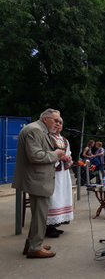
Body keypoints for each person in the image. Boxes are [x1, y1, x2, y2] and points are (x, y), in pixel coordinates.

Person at [12, 108, 65, 258]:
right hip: (36, 180)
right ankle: (35, 248)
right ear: (45, 119)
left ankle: (33, 244)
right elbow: (35, 156)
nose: (58, 123)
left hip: (37, 179)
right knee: (40, 215)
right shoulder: (35, 130)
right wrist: (56, 154)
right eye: (55, 120)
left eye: (59, 121)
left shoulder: (38, 129)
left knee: (38, 215)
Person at [46, 118, 73, 238]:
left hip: (63, 172)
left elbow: (68, 153)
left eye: (61, 123)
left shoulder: (65, 140)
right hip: (53, 172)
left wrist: (68, 159)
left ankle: (56, 223)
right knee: (54, 196)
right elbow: (46, 154)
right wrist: (59, 158)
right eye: (56, 122)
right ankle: (48, 227)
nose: (58, 124)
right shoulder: (47, 138)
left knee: (62, 195)